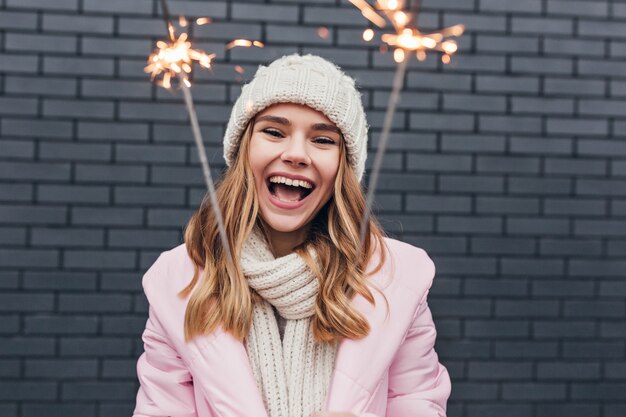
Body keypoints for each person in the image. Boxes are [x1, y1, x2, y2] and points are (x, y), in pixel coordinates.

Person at [133, 53, 451, 417]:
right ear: (243, 150)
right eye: (274, 131)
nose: (297, 154)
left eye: (323, 139)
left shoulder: (396, 280)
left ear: (343, 169)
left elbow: (418, 404)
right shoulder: (180, 283)